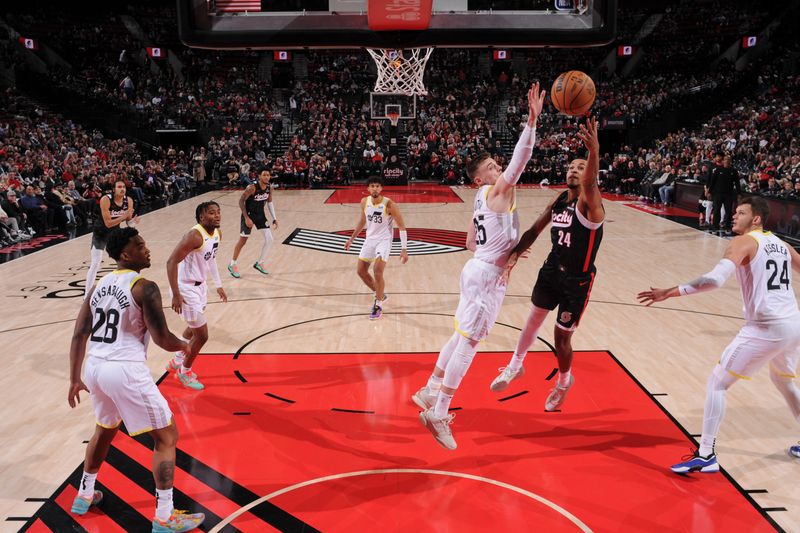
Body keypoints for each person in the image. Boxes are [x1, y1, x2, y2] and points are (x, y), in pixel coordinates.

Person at [412, 83, 546, 450]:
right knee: (470, 343)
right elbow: (520, 162)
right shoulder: (496, 191)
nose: (499, 169)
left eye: (496, 165)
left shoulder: (478, 197)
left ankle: (430, 389)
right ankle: (439, 411)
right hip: (487, 277)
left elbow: (471, 241)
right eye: (491, 168)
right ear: (480, 179)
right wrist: (531, 123)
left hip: (477, 267)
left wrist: (506, 249)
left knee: (458, 335)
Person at [637, 196, 800, 473]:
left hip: (766, 327)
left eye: (741, 212)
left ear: (756, 219)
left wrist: (671, 291)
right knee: (782, 380)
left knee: (717, 383)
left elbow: (714, 280)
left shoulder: (743, 242)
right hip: (793, 324)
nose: (734, 216)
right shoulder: (782, 244)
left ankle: (706, 453)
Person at [68, 227, 205, 532]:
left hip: (95, 367)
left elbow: (79, 333)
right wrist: (185, 345)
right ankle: (165, 515)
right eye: (140, 246)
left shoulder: (99, 284)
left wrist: (74, 378)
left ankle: (84, 495)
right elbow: (162, 339)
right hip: (124, 370)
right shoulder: (145, 287)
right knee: (166, 437)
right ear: (126, 254)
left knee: (104, 430)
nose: (147, 249)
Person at [488, 117, 604, 413]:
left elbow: (591, 183)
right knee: (534, 317)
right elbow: (534, 230)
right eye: (571, 167)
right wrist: (513, 256)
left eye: (580, 167)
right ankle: (515, 365)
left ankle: (564, 382)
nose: (574, 170)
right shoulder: (561, 200)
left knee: (560, 338)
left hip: (577, 281)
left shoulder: (592, 205)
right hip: (552, 268)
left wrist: (594, 152)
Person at [165, 202, 228, 391]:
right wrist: (176, 293)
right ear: (201, 217)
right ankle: (184, 372)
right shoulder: (194, 235)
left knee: (193, 329)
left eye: (218, 212)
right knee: (202, 335)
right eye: (211, 213)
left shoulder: (217, 233)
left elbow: (212, 259)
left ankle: (176, 360)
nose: (217, 216)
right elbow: (170, 262)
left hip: (201, 288)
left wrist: (218, 285)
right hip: (185, 289)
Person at [343, 175, 409, 320]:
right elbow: (362, 221)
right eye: (372, 186)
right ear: (368, 188)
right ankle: (380, 293)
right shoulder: (364, 202)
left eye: (377, 186)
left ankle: (378, 304)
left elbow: (402, 227)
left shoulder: (389, 204)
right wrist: (351, 239)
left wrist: (404, 249)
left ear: (381, 188)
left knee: (377, 271)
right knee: (360, 271)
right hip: (369, 240)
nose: (375, 188)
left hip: (384, 241)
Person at [84, 179, 137, 298]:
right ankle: (87, 295)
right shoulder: (106, 199)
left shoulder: (128, 201)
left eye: (124, 187)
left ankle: (126, 289)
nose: (122, 189)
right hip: (100, 233)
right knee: (96, 262)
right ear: (114, 189)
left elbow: (129, 223)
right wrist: (123, 216)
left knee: (125, 260)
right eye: (119, 187)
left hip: (114, 234)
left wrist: (133, 222)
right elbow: (108, 223)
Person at [228, 169, 278, 278]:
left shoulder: (269, 188)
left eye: (268, 175)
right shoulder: (252, 187)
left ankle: (259, 262)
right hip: (249, 214)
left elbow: (270, 202)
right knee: (243, 241)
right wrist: (246, 218)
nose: (266, 177)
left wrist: (274, 218)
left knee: (270, 239)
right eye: (264, 175)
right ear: (259, 176)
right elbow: (241, 201)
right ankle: (232, 264)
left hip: (260, 215)